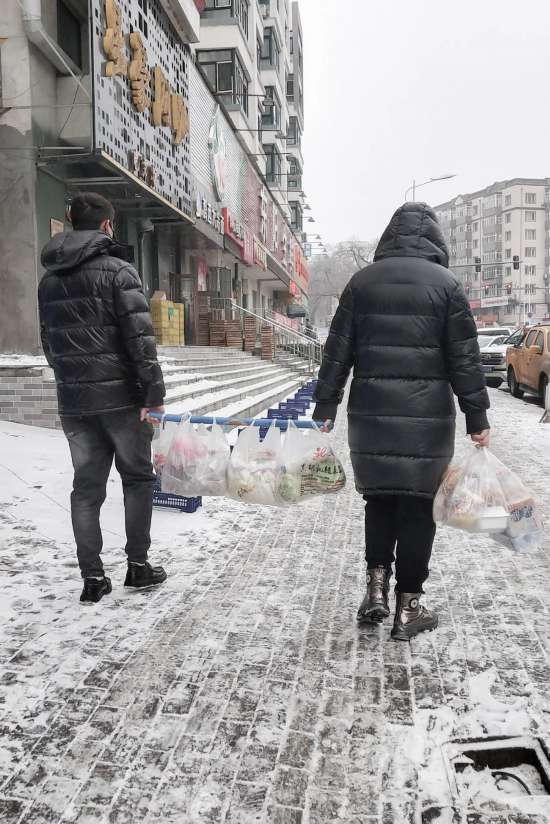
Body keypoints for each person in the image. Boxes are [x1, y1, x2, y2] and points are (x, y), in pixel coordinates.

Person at [312, 202, 490, 641]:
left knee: (379, 502)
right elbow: (464, 360)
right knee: (417, 507)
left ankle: (375, 591)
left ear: (389, 237)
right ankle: (408, 607)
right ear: (435, 239)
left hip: (370, 417)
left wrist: (326, 405)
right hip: (427, 422)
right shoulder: (447, 286)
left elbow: (338, 350)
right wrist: (476, 416)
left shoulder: (361, 284)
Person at [38, 192, 167, 604]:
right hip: (122, 402)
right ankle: (138, 566)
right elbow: (141, 343)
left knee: (86, 490)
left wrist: (71, 382)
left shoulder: (49, 280)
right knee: (137, 479)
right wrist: (153, 395)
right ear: (107, 226)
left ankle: (92, 578)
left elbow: (49, 343)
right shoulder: (119, 272)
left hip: (75, 403)